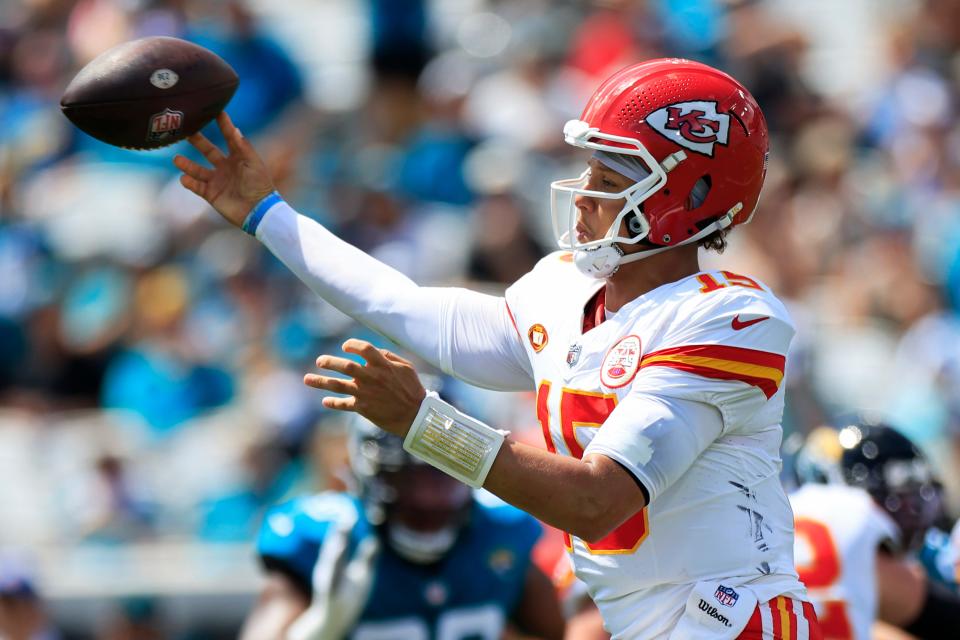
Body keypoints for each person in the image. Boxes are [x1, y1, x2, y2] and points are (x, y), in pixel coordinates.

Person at [175, 58, 822, 638]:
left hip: (734, 621)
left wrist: (422, 423)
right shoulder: (565, 290)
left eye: (617, 171)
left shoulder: (727, 316)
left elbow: (595, 503)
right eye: (591, 164)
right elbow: (403, 306)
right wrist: (268, 214)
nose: (588, 189)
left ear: (695, 195)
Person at [240, 415, 564, 640]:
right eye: (407, 479)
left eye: (443, 476)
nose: (428, 500)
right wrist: (317, 629)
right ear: (366, 474)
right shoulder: (324, 540)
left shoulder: (500, 531)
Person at [790, 421, 960, 640]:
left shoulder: (772, 524)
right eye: (900, 489)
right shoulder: (854, 515)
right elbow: (942, 618)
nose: (911, 506)